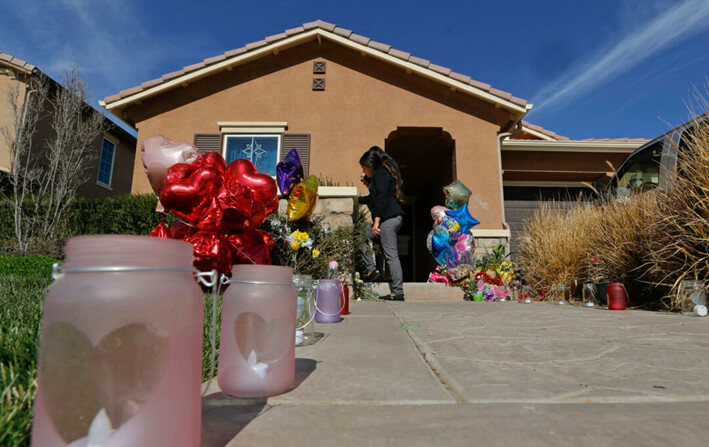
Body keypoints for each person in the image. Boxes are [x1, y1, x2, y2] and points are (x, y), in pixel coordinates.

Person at [357, 146, 406, 301]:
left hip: (389, 221)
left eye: (364, 168)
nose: (363, 171)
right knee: (361, 234)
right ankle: (372, 270)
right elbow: (371, 199)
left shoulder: (381, 175)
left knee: (391, 255)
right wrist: (354, 199)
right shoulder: (378, 178)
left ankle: (398, 292)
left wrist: (376, 222)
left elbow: (382, 200)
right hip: (388, 220)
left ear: (370, 166)